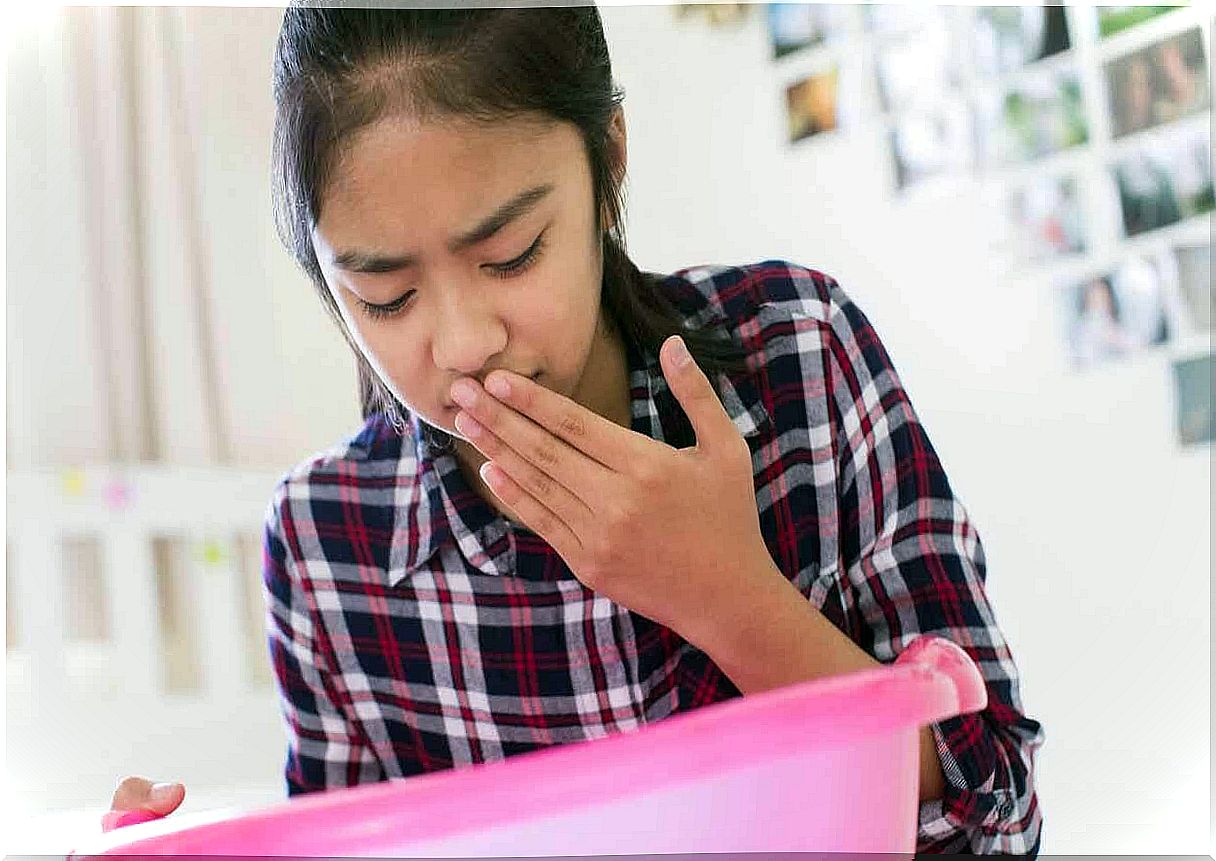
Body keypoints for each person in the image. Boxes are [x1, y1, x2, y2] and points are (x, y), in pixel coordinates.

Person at [108, 5, 1044, 855]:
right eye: (385, 297)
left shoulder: (797, 352)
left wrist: (727, 598)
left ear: (610, 156)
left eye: (512, 256)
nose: (466, 344)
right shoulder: (326, 542)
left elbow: (1000, 807)